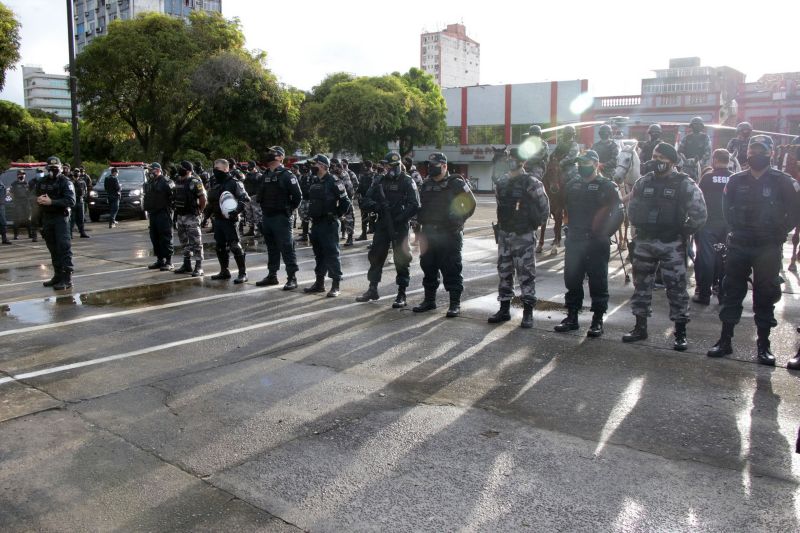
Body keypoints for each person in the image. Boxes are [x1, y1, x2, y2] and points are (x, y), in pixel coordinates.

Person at [707, 135, 800, 365]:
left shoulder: (783, 181)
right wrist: (734, 230)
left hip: (768, 247)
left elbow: (795, 211)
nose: (755, 154)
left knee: (765, 294)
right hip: (739, 244)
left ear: (770, 153)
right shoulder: (736, 180)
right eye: (752, 150)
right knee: (731, 292)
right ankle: (725, 341)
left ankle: (763, 346)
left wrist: (780, 233)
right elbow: (726, 209)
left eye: (760, 150)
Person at [623, 142, 708, 350]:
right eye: (655, 156)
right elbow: (632, 208)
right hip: (645, 242)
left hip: (672, 244)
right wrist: (640, 227)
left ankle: (680, 332)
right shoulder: (643, 182)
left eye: (662, 158)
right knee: (641, 286)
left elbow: (700, 213)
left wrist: (681, 232)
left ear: (671, 161)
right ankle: (640, 327)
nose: (657, 161)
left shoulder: (684, 183)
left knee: (676, 288)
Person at [554, 150, 624, 336]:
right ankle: (572, 317)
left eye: (585, 163)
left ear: (595, 163)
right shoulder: (572, 185)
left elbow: (619, 213)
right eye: (580, 163)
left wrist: (604, 234)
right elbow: (565, 208)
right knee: (572, 279)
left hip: (596, 243)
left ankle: (597, 320)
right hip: (575, 240)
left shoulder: (607, 186)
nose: (581, 166)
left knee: (598, 281)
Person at [487, 147, 550, 328]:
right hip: (505, 234)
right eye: (510, 158)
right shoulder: (502, 182)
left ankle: (528, 312)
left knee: (526, 273)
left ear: (523, 162)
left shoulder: (532, 182)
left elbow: (544, 208)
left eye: (516, 159)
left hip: (523, 235)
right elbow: (500, 204)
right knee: (504, 272)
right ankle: (504, 309)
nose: (512, 161)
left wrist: (531, 227)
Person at [412, 153, 477, 317]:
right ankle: (429, 301)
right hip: (428, 233)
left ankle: (454, 304)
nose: (431, 167)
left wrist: (459, 219)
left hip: (449, 234)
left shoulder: (456, 183)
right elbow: (420, 207)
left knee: (452, 268)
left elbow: (471, 203)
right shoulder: (426, 184)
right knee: (428, 267)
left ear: (444, 166)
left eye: (435, 164)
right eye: (430, 164)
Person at [355, 151, 420, 307]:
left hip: (400, 225)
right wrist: (378, 206)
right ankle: (372, 289)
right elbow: (366, 200)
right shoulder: (379, 180)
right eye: (384, 165)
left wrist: (401, 217)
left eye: (387, 165)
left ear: (396, 166)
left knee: (401, 259)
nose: (384, 168)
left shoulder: (407, 181)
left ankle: (401, 294)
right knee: (376, 256)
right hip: (383, 224)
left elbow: (415, 204)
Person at [255, 146, 303, 290]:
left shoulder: (287, 175)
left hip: (281, 217)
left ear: (280, 157)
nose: (269, 155)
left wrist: (288, 211)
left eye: (273, 153)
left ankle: (292, 278)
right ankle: (272, 275)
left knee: (287, 248)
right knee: (271, 248)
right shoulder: (265, 175)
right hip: (267, 216)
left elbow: (298, 197)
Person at [303, 154, 351, 297]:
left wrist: (335, 214)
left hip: (329, 224)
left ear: (323, 166)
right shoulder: (315, 181)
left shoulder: (334, 181)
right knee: (319, 255)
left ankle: (336, 285)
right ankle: (319, 283)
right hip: (316, 224)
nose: (312, 167)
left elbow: (346, 202)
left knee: (332, 254)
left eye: (315, 164)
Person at [693, 149, 732, 305]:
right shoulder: (734, 178)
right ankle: (723, 294)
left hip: (708, 223)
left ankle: (704, 294)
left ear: (714, 160)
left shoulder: (707, 178)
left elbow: (698, 200)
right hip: (728, 225)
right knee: (725, 258)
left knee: (705, 259)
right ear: (728, 161)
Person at [205, 159, 251, 283]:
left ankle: (243, 273)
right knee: (220, 247)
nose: (215, 170)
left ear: (226, 169)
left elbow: (244, 199)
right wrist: (205, 216)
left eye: (218, 168)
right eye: (214, 168)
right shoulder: (214, 183)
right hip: (218, 219)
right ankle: (224, 271)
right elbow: (211, 201)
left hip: (231, 220)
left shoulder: (234, 183)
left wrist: (236, 211)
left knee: (235, 246)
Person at [36, 156, 76, 290]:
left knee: (64, 247)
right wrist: (38, 200)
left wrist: (52, 202)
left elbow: (71, 201)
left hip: (60, 218)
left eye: (55, 168)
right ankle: (58, 275)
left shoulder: (65, 182)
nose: (53, 170)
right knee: (52, 248)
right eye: (50, 168)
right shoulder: (42, 182)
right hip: (47, 218)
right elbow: (35, 196)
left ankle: (67, 278)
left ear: (60, 168)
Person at [173, 161, 207, 277]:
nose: (179, 169)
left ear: (188, 170)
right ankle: (187, 264)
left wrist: (200, 211)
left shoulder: (195, 182)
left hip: (191, 216)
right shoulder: (178, 181)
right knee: (184, 242)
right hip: (181, 216)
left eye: (182, 168)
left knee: (196, 242)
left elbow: (203, 198)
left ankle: (199, 266)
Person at [143, 162, 176, 271]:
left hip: (163, 214)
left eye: (151, 170)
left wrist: (170, 209)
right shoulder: (150, 182)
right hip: (153, 214)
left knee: (165, 237)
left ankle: (169, 261)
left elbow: (174, 196)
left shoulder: (166, 182)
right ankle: (160, 260)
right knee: (154, 237)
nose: (149, 172)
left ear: (157, 170)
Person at [332, 159, 356, 246]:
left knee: (349, 219)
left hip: (346, 200)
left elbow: (350, 189)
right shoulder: (332, 175)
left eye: (337, 168)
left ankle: (350, 238)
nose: (336, 170)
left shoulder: (345, 175)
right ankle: (338, 236)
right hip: (336, 201)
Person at [356, 160, 375, 240]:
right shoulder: (363, 176)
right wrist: (357, 193)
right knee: (364, 218)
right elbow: (360, 187)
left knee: (373, 218)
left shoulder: (374, 175)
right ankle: (364, 234)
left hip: (372, 200)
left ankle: (374, 236)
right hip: (364, 200)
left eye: (364, 166)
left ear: (368, 166)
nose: (363, 167)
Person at [242, 161, 263, 238]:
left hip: (255, 197)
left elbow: (262, 187)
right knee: (249, 214)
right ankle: (251, 230)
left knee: (257, 215)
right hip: (248, 197)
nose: (248, 167)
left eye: (249, 166)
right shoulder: (247, 175)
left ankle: (260, 231)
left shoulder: (259, 175)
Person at [10, 170, 32, 240]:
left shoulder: (27, 183)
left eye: (23, 174)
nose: (22, 175)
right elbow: (11, 193)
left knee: (28, 218)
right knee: (17, 219)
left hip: (26, 202)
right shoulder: (14, 184)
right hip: (18, 202)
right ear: (17, 175)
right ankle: (16, 235)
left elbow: (30, 193)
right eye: (20, 174)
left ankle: (30, 234)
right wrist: (15, 201)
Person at [69, 169, 90, 238]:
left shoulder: (82, 181)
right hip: (73, 202)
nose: (77, 173)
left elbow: (85, 190)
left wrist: (84, 196)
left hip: (80, 201)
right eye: (76, 172)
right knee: (72, 219)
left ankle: (82, 232)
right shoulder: (70, 182)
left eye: (78, 172)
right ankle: (70, 233)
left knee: (81, 218)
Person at [297, 163, 312, 242]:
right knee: (303, 217)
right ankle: (305, 234)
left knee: (312, 217)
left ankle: (312, 234)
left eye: (305, 167)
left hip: (310, 200)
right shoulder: (301, 177)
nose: (304, 169)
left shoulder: (313, 177)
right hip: (303, 200)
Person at [0, 178, 11, 245]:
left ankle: (4, 238)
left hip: (1, 205)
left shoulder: (1, 183)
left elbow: (3, 191)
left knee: (3, 222)